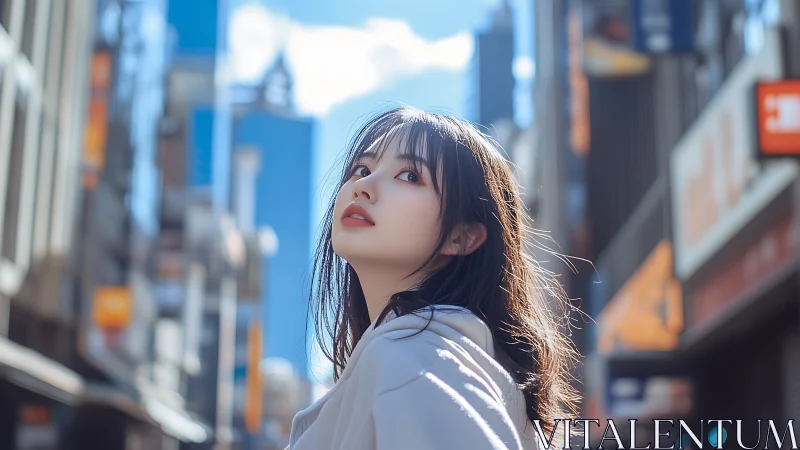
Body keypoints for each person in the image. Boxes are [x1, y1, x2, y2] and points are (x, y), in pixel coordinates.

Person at [288, 106, 581, 450]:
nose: (363, 186)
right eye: (362, 168)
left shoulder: (412, 357)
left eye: (410, 176)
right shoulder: (420, 355)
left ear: (462, 236)